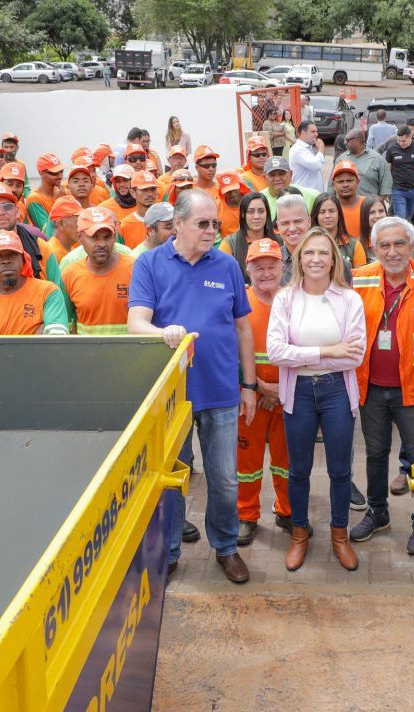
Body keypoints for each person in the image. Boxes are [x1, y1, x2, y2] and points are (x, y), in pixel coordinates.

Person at [128, 189, 257, 584]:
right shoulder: (149, 264)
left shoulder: (227, 265)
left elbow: (242, 327)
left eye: (215, 223)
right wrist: (161, 331)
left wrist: (248, 385)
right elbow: (136, 322)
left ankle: (226, 547)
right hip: (173, 396)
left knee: (224, 478)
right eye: (203, 223)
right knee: (173, 477)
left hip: (220, 390)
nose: (212, 231)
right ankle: (168, 552)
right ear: (178, 224)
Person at [266, 227, 366, 572]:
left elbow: (354, 356)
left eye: (323, 253)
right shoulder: (285, 299)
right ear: (298, 258)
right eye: (309, 253)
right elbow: (276, 351)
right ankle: (299, 535)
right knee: (299, 470)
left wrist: (305, 355)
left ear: (334, 259)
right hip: (300, 393)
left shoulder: (349, 299)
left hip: (338, 390)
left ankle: (340, 535)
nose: (316, 259)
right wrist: (327, 350)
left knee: (340, 471)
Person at [350, 217, 414, 554]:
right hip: (371, 387)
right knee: (374, 454)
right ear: (374, 248)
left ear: (413, 245)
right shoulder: (359, 280)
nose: (392, 251)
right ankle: (378, 512)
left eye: (399, 243)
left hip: (412, 391)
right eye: (384, 245)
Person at [234, 237, 293, 545]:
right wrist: (260, 386)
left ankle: (286, 510)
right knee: (247, 461)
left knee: (287, 460)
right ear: (248, 269)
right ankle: (246, 515)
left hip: (287, 397)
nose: (266, 273)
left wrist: (280, 389)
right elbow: (231, 353)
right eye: (259, 267)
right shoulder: (240, 302)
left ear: (282, 267)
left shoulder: (294, 301)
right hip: (251, 398)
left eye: (272, 266)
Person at [0, 229, 69, 336]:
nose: (6, 260)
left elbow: (56, 343)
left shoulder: (48, 293)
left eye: (13, 254)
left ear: (23, 258)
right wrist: (36, 334)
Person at [61, 208, 134, 335]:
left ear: (115, 236)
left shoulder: (135, 269)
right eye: (94, 238)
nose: (102, 244)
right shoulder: (69, 274)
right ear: (80, 237)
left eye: (107, 237)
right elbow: (64, 326)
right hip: (87, 353)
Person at [220, 192, 277, 280]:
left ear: (267, 213)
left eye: (261, 211)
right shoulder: (229, 244)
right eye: (250, 212)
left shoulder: (279, 241)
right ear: (243, 214)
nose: (256, 216)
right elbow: (222, 277)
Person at [311, 193, 368, 270]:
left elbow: (360, 278)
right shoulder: (307, 244)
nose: (327, 216)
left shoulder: (354, 245)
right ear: (316, 215)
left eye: (331, 211)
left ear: (339, 213)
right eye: (322, 212)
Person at [334, 128, 392, 200]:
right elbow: (331, 185)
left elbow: (386, 186)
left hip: (369, 207)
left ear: (358, 140)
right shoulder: (341, 159)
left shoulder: (378, 159)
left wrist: (377, 204)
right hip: (346, 207)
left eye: (348, 140)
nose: (345, 143)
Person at [120, 171, 161, 248]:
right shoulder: (123, 226)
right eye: (144, 190)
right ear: (133, 193)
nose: (150, 194)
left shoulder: (167, 221)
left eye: (153, 189)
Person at [287, 121, 327, 192]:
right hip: (305, 195)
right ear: (303, 133)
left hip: (312, 194)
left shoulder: (307, 147)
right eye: (313, 132)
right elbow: (316, 165)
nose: (316, 134)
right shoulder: (298, 149)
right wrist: (321, 147)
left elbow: (320, 162)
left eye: (316, 132)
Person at [330, 160, 366, 239]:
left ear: (357, 182)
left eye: (349, 181)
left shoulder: (367, 205)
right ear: (333, 184)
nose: (345, 185)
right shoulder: (329, 209)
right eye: (340, 181)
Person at [44, 195, 84, 264]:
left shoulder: (70, 249)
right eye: (77, 221)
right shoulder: (51, 253)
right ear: (61, 223)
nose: (82, 226)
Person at [217, 171, 248, 237]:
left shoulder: (252, 202)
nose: (232, 194)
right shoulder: (217, 207)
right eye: (228, 191)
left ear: (240, 186)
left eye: (234, 189)